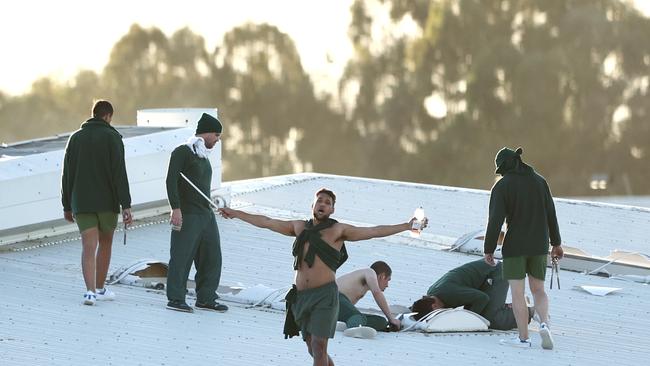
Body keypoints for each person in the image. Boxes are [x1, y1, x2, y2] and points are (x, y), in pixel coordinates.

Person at [218, 190, 425, 366]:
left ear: (332, 209)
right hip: (301, 297)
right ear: (313, 205)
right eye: (320, 201)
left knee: (319, 345)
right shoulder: (299, 227)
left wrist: (406, 226)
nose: (323, 204)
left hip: (324, 297)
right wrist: (235, 213)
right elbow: (266, 222)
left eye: (328, 202)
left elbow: (373, 231)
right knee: (312, 347)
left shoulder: (337, 230)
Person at [483, 147, 563, 350]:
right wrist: (556, 243)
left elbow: (495, 222)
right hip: (539, 245)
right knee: (539, 290)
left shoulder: (502, 187)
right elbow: (551, 214)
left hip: (515, 247)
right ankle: (544, 323)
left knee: (517, 293)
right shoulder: (540, 181)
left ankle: (523, 339)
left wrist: (489, 248)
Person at [61, 100, 133, 305]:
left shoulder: (75, 138)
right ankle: (100, 288)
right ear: (108, 116)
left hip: (81, 202)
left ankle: (90, 292)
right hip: (106, 201)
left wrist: (67, 204)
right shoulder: (113, 137)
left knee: (88, 246)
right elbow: (120, 173)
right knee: (106, 243)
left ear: (93, 114)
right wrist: (126, 204)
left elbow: (67, 175)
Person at [165, 112, 227, 313]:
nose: (218, 140)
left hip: (206, 214)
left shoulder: (203, 157)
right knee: (182, 257)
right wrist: (176, 208)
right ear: (207, 133)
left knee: (212, 257)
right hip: (188, 213)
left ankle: (206, 298)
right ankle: (175, 298)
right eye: (216, 135)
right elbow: (171, 180)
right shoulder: (183, 152)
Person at [410, 259, 534, 330]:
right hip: (482, 281)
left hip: (496, 273)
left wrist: (471, 319)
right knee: (483, 312)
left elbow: (482, 298)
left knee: (492, 319)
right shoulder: (432, 294)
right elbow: (417, 308)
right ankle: (515, 305)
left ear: (434, 307)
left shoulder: (449, 293)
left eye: (436, 314)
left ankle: (531, 311)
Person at [336, 261, 400, 332]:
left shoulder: (361, 288)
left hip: (334, 311)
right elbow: (377, 293)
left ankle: (355, 324)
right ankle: (355, 326)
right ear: (382, 276)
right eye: (388, 280)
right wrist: (391, 318)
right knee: (356, 317)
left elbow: (347, 310)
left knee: (381, 321)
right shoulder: (369, 272)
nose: (387, 285)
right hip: (333, 297)